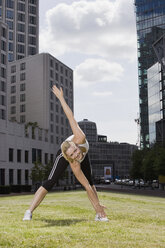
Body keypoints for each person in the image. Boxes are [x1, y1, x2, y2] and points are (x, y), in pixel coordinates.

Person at [23, 85, 108, 222]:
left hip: (76, 150)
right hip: (63, 153)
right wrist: (72, 156)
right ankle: (29, 211)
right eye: (73, 156)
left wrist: (61, 98)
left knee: (90, 182)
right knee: (51, 181)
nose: (76, 155)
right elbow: (82, 183)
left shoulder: (80, 137)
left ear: (76, 144)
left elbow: (70, 116)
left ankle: (99, 214)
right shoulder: (73, 161)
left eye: (75, 151)